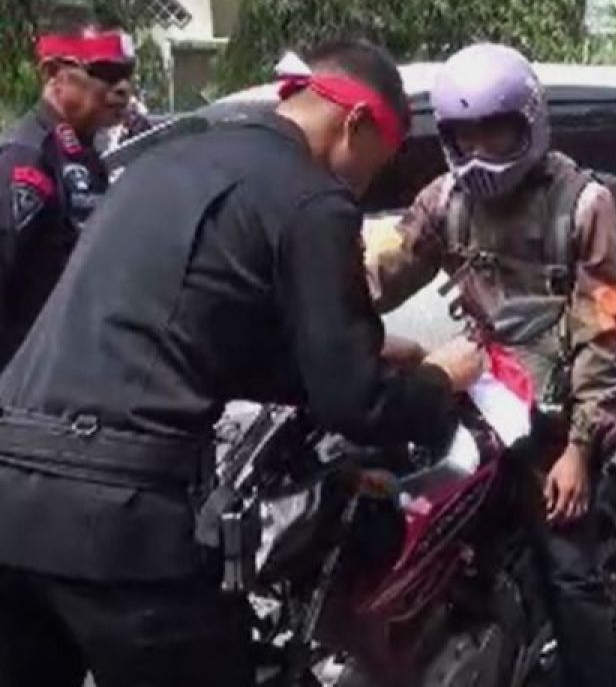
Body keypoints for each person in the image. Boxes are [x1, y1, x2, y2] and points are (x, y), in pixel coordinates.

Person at [0, 39, 484, 686]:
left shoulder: (164, 159)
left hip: (12, 489)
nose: (367, 183)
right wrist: (438, 378)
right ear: (356, 124)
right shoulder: (313, 198)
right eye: (379, 161)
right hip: (122, 522)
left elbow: (189, 331)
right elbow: (356, 403)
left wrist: (343, 349)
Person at [363, 42, 616, 687]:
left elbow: (603, 330)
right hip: (481, 387)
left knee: (569, 571)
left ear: (529, 121)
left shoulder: (583, 203)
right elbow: (384, 271)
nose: (480, 149)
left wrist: (579, 448)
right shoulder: (444, 199)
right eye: (465, 134)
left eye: (496, 130)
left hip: (558, 411)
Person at [0, 1, 134, 369]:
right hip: (24, 378)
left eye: (127, 73)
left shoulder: (86, 157)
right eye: (105, 72)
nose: (122, 88)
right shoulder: (26, 161)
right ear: (53, 74)